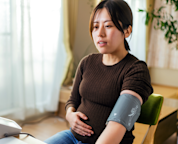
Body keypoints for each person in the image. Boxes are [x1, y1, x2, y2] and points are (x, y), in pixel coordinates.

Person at [44, 0, 153, 144]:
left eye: (108, 25)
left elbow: (118, 122)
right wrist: (70, 115)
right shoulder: (87, 62)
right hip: (72, 136)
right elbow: (73, 100)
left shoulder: (136, 70)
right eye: (95, 27)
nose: (100, 33)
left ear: (127, 31)